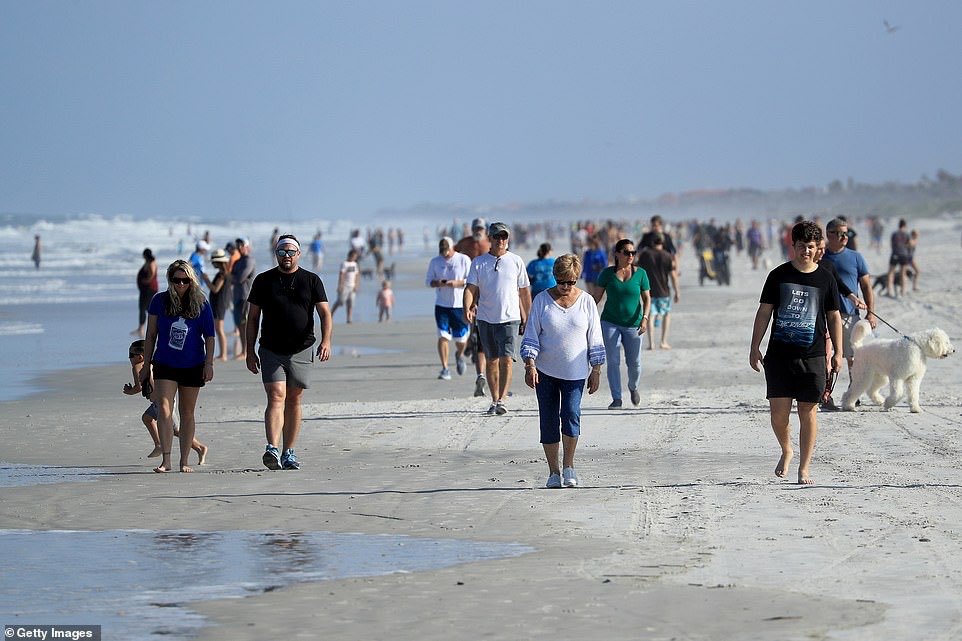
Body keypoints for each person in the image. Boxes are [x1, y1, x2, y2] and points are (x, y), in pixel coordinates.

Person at [749, 221, 843, 485]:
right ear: (793, 246)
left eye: (811, 247)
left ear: (818, 248)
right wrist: (755, 346)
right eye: (801, 246)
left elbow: (834, 316)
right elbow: (764, 312)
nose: (806, 252)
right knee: (778, 414)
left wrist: (838, 352)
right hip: (779, 355)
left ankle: (804, 467)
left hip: (813, 356)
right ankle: (786, 449)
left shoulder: (825, 278)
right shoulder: (778, 276)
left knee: (807, 411)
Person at [246, 234, 333, 471]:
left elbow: (325, 314)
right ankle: (272, 448)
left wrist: (326, 341)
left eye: (291, 252)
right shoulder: (263, 280)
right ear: (276, 254)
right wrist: (249, 351)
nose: (286, 256)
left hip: (302, 349)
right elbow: (252, 318)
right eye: (282, 252)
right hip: (270, 349)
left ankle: (288, 452)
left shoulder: (311, 280)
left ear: (298, 254)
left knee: (294, 399)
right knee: (276, 395)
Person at [521, 253, 605, 488]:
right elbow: (531, 334)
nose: (566, 287)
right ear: (554, 277)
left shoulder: (587, 301)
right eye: (561, 281)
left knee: (570, 415)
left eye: (571, 282)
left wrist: (596, 369)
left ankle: (569, 466)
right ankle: (553, 472)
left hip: (575, 373)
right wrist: (530, 365)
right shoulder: (541, 300)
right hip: (545, 372)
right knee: (548, 420)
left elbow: (595, 337)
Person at [140, 260, 215, 473]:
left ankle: (184, 461)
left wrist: (209, 363)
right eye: (176, 280)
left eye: (185, 280)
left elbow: (210, 336)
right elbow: (151, 335)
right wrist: (146, 365)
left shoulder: (201, 302)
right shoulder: (159, 301)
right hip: (165, 363)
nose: (181, 284)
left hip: (193, 364)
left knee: (187, 412)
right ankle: (166, 460)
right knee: (164, 408)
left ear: (191, 281)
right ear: (170, 280)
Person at [463, 222, 532, 415]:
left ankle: (502, 400)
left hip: (510, 318)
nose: (501, 240)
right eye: (497, 237)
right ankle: (494, 399)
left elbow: (524, 292)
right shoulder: (479, 262)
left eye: (504, 237)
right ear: (490, 239)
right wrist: (467, 307)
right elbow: (470, 289)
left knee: (507, 360)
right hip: (485, 319)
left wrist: (529, 316)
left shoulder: (516, 261)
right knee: (491, 360)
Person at [124, 339, 207, 464]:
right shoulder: (153, 363)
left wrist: (129, 391)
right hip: (163, 400)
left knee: (175, 430)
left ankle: (199, 448)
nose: (130, 359)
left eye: (131, 355)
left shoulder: (137, 367)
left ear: (140, 356)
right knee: (147, 418)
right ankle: (159, 444)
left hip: (162, 403)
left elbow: (139, 387)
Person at [593, 239, 650, 409]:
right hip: (610, 322)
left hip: (634, 324)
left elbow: (647, 299)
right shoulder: (607, 274)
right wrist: (583, 315)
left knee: (635, 363)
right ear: (617, 254)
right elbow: (595, 298)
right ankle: (616, 398)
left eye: (633, 253)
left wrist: (645, 318)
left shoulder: (641, 274)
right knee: (613, 361)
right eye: (627, 252)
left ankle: (633, 386)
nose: (630, 256)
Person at [821, 218, 876, 381]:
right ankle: (825, 391)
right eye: (840, 234)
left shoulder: (856, 257)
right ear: (829, 234)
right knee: (825, 355)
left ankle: (854, 389)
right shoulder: (820, 256)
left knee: (853, 356)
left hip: (849, 314)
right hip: (823, 314)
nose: (845, 237)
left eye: (847, 234)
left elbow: (866, 286)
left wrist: (871, 313)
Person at [425, 236, 472, 380]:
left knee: (461, 339)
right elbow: (428, 281)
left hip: (459, 305)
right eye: (442, 251)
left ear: (452, 248)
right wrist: (437, 283)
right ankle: (445, 368)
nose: (444, 254)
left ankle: (459, 354)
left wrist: (457, 283)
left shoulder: (463, 260)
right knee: (443, 336)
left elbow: (472, 280)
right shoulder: (435, 262)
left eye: (446, 250)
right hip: (442, 305)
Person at [455, 218, 492, 396]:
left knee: (482, 328)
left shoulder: (490, 243)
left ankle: (472, 344)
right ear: (472, 229)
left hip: (486, 289)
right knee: (473, 323)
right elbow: (453, 254)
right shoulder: (465, 242)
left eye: (481, 228)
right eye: (476, 228)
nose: (478, 231)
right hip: (469, 287)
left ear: (485, 230)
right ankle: (472, 344)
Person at [636, 233, 679, 350]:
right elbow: (673, 276)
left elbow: (637, 268)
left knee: (650, 316)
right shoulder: (667, 256)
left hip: (649, 291)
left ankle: (651, 344)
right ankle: (663, 341)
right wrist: (677, 292)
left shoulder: (646, 255)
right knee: (666, 314)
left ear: (651, 242)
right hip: (664, 291)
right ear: (662, 243)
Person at [230, 238, 256, 360]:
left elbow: (240, 278)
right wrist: (233, 278)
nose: (239, 248)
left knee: (245, 324)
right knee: (239, 324)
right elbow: (232, 277)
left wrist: (233, 278)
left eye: (242, 245)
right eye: (238, 245)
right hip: (237, 295)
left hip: (246, 296)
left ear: (247, 247)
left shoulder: (249, 260)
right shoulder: (238, 261)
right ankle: (243, 350)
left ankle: (246, 351)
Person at [208, 249, 232, 361]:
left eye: (214, 262)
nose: (213, 264)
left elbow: (215, 289)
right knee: (218, 329)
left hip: (219, 303)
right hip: (219, 303)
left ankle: (223, 354)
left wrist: (206, 279)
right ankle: (222, 354)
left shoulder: (222, 274)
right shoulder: (224, 273)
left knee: (219, 329)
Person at [133, 248, 158, 337]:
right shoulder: (148, 262)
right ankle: (142, 328)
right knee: (144, 308)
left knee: (146, 308)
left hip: (149, 289)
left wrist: (146, 281)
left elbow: (152, 274)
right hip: (146, 289)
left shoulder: (151, 263)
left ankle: (143, 329)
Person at [330, 249, 360, 323]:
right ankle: (330, 314)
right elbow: (341, 275)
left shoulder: (355, 264)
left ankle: (349, 318)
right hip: (345, 286)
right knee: (340, 301)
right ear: (350, 256)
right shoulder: (344, 264)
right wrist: (340, 285)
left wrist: (356, 285)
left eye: (355, 257)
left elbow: (357, 275)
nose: (355, 258)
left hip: (352, 286)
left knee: (351, 303)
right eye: (354, 256)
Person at [885, 218, 911, 297]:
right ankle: (902, 291)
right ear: (905, 225)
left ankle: (889, 291)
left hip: (895, 254)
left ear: (899, 225)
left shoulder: (894, 234)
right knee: (903, 273)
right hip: (904, 254)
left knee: (891, 273)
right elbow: (909, 244)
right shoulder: (907, 234)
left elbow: (892, 244)